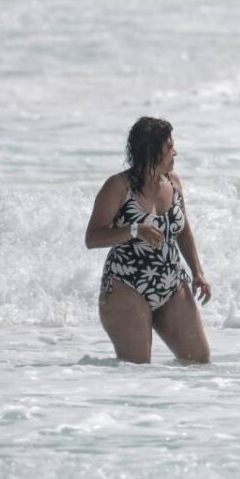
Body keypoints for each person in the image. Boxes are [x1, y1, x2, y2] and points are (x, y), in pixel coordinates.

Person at [85, 117, 212, 364]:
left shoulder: (173, 182)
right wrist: (134, 229)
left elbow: (183, 230)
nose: (175, 152)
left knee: (199, 362)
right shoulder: (118, 186)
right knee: (137, 370)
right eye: (169, 147)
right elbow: (92, 237)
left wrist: (198, 272)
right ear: (151, 152)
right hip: (127, 285)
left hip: (171, 283)